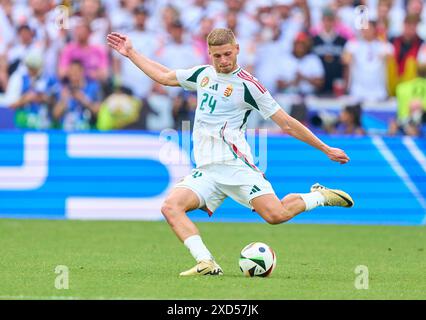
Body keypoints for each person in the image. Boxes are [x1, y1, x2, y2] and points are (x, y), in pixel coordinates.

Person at [107, 28, 354, 276]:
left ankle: (320, 196)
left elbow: (287, 123)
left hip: (235, 165)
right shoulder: (202, 74)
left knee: (276, 214)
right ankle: (207, 262)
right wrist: (131, 53)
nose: (223, 61)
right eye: (217, 56)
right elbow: (164, 76)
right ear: (209, 54)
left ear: (237, 49)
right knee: (171, 207)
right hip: (206, 170)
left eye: (227, 54)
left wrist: (325, 148)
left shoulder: (249, 86)